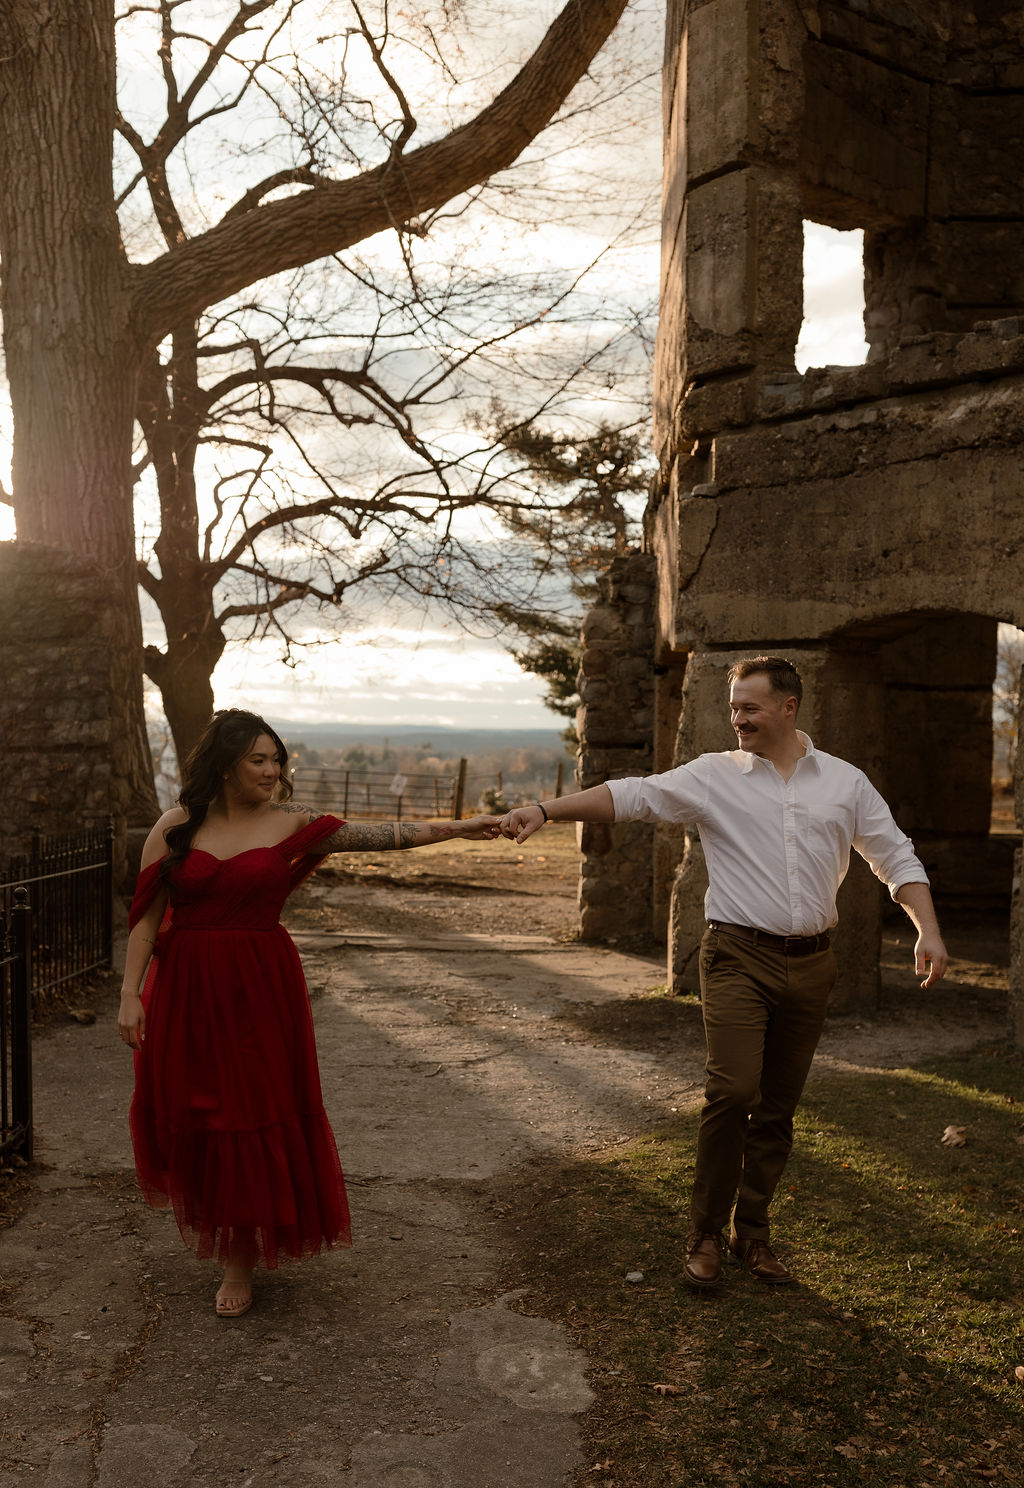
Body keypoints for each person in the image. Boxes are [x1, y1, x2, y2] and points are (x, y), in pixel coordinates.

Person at [498, 656, 947, 1290]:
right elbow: (634, 794)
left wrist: (927, 928)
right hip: (737, 955)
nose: (736, 719)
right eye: (732, 708)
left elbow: (893, 855)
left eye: (749, 708)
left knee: (778, 1108)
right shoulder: (715, 777)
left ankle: (752, 1235)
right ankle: (704, 1233)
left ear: (789, 708)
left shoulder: (844, 783)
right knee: (734, 1091)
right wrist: (547, 810)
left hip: (814, 964)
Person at [118, 708, 501, 1318]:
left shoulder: (292, 825)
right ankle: (222, 1223)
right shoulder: (175, 827)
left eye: (277, 760)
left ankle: (238, 1256)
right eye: (258, 760)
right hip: (185, 987)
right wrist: (130, 993)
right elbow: (145, 917)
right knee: (197, 1108)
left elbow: (388, 834)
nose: (273, 771)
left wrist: (464, 827)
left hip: (260, 989)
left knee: (248, 1112)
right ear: (224, 764)